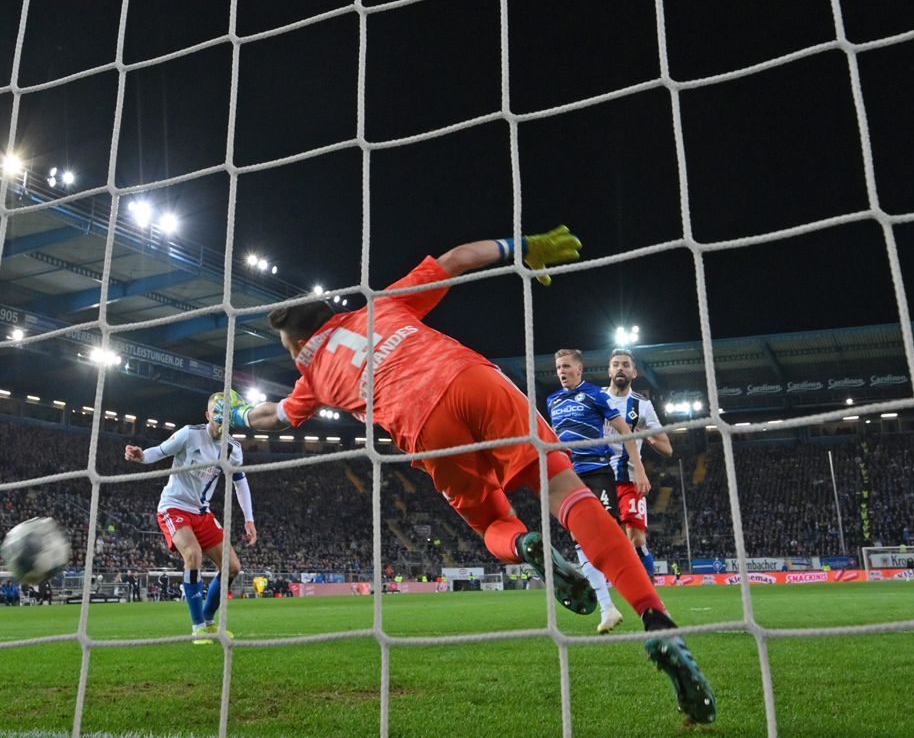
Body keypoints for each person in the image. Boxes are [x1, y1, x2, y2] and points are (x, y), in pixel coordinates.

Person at [220, 227, 715, 723]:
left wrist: (234, 415)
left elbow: (272, 418)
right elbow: (454, 259)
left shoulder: (313, 376)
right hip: (470, 378)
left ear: (301, 343)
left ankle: (525, 547)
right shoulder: (380, 306)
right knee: (564, 490)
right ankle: (656, 620)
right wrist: (518, 249)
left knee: (492, 525)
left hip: (424, 427)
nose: (291, 356)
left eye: (288, 349)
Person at [125, 391, 258, 644]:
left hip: (201, 511)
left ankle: (208, 621)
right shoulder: (189, 434)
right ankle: (197, 627)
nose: (221, 421)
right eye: (217, 416)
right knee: (193, 555)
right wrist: (140, 456)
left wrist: (249, 519)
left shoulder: (233, 448)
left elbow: (240, 483)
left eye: (227, 416)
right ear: (207, 415)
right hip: (173, 506)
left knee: (232, 567)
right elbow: (159, 452)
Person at [546, 348, 634, 634]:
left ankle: (641, 597)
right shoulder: (552, 400)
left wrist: (639, 468)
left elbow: (624, 430)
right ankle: (607, 608)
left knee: (610, 535)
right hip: (569, 477)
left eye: (567, 366)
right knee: (579, 538)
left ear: (579, 369)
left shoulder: (595, 394)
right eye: (559, 367)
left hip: (597, 471)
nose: (562, 371)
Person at [606, 350, 672, 599]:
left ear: (634, 373)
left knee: (635, 539)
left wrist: (644, 432)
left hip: (631, 478)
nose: (620, 368)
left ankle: (648, 591)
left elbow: (667, 448)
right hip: (599, 476)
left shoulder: (642, 405)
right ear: (609, 371)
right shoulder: (596, 398)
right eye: (615, 365)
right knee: (604, 538)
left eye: (625, 365)